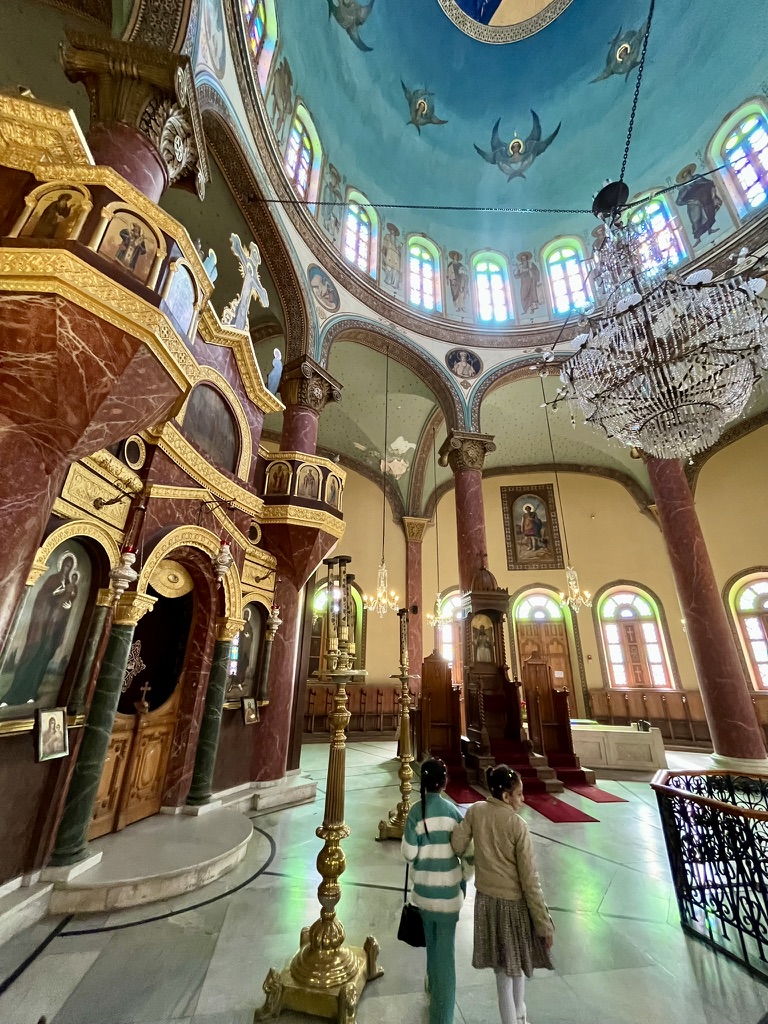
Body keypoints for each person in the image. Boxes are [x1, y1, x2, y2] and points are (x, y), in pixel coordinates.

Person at [452, 766, 554, 1024]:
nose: (522, 799)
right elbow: (530, 879)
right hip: (514, 905)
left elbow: (457, 843)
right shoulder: (517, 825)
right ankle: (517, 1018)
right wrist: (544, 923)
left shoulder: (475, 812)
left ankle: (519, 1017)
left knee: (504, 971)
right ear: (506, 796)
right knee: (514, 968)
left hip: (487, 903)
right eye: (519, 794)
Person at [402, 758, 471, 1024]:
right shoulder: (454, 813)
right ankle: (443, 1016)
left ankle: (434, 991)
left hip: (423, 894)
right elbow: (466, 853)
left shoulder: (416, 812)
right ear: (444, 783)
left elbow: (408, 853)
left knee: (432, 945)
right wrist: (462, 879)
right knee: (446, 956)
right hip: (449, 896)